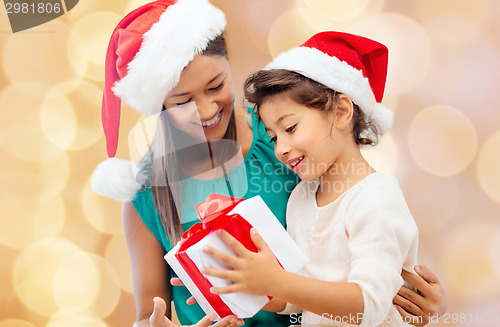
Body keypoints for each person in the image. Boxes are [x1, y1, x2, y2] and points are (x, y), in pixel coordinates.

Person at [90, 0, 447, 326]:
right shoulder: (149, 194)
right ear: (160, 106)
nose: (207, 110)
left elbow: (363, 242)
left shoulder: (287, 135)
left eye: (216, 86)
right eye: (182, 102)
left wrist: (420, 301)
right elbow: (148, 315)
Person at [199, 31, 442, 326]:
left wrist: (277, 281)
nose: (281, 149)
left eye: (290, 128)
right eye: (273, 137)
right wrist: (244, 281)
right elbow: (297, 298)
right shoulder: (302, 197)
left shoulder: (376, 198)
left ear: (340, 112)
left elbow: (369, 306)